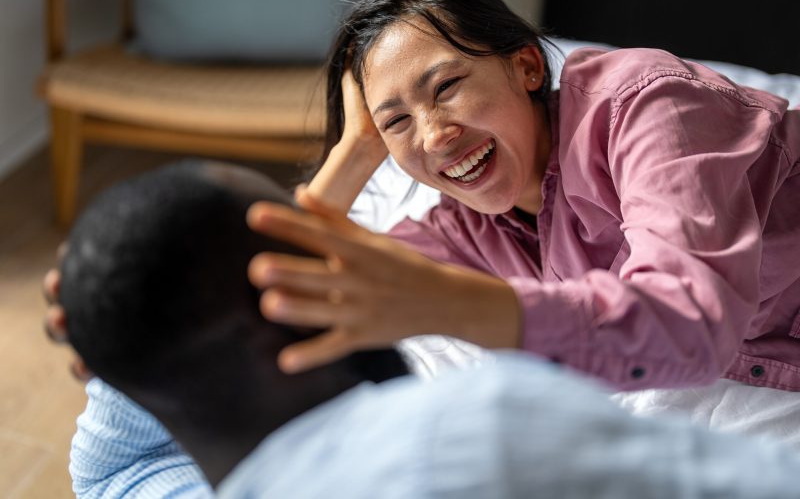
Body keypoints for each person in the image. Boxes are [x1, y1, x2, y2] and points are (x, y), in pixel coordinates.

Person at [55, 159, 800, 498]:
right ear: (283, 306)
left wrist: (121, 340)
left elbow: (109, 473)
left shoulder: (174, 478)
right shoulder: (473, 432)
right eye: (322, 241)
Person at [239, 0, 800, 395]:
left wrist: (456, 303)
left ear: (527, 67)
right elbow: (277, 291)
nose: (434, 136)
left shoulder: (650, 108)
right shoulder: (473, 230)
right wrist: (356, 150)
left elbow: (690, 324)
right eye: (396, 122)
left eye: (447, 86)